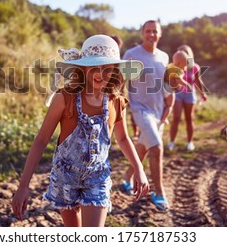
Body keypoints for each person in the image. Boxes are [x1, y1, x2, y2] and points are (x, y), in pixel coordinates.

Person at [12, 34, 149, 227]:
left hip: (97, 177)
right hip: (64, 177)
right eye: (94, 67)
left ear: (115, 70)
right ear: (83, 68)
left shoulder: (116, 102)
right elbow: (41, 140)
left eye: (107, 68)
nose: (100, 74)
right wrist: (23, 186)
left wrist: (139, 169)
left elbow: (124, 139)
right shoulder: (65, 98)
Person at [121, 20, 172, 210]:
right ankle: (159, 192)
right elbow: (121, 81)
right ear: (142, 33)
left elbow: (165, 84)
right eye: (148, 31)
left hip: (158, 111)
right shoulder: (131, 55)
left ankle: (127, 178)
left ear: (160, 34)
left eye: (154, 31)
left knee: (143, 147)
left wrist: (169, 100)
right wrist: (118, 105)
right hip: (140, 109)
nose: (151, 34)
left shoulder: (164, 57)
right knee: (157, 147)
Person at [168, 44, 207, 152]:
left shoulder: (194, 67)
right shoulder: (174, 66)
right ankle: (171, 142)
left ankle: (189, 142)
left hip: (190, 94)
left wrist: (202, 93)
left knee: (189, 118)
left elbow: (198, 81)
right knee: (176, 118)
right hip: (178, 94)